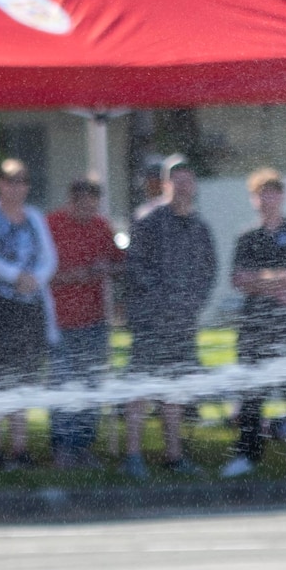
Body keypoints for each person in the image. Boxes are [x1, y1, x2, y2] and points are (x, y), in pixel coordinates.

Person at [122, 156, 216, 478]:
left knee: (174, 390)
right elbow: (134, 268)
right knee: (140, 388)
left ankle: (174, 456)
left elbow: (208, 272)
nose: (183, 186)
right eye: (176, 180)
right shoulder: (147, 221)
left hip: (182, 324)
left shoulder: (200, 227)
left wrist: (190, 306)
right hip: (150, 322)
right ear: (165, 184)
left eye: (188, 180)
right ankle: (132, 457)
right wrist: (164, 303)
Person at [0, 158, 56, 469]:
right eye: (10, 181)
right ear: (0, 184)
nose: (16, 187)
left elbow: (48, 257)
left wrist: (36, 278)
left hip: (28, 308)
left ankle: (19, 447)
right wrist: (16, 275)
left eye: (21, 182)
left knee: (23, 377)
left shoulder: (34, 217)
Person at [223, 168, 286, 480]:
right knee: (251, 392)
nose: (267, 199)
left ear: (282, 196)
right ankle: (247, 454)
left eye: (273, 192)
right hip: (255, 327)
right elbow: (238, 279)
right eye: (261, 193)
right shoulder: (246, 237)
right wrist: (277, 282)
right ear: (253, 199)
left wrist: (261, 280)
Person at [45, 177, 123, 469]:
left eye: (94, 206)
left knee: (91, 385)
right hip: (61, 321)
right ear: (72, 201)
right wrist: (75, 275)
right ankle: (62, 448)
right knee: (63, 383)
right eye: (84, 206)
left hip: (94, 320)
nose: (89, 212)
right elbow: (42, 272)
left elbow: (118, 263)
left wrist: (108, 268)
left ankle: (83, 446)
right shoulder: (51, 225)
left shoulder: (102, 227)